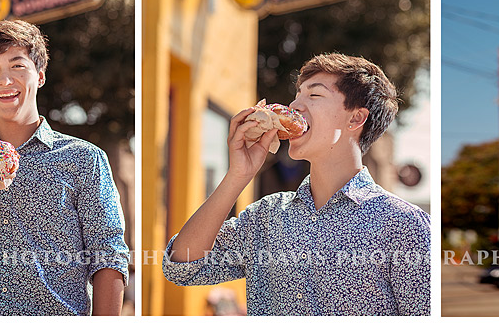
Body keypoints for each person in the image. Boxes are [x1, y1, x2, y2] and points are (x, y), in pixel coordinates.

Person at [163, 53, 430, 315]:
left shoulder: (403, 225)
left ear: (356, 118)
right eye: (297, 95)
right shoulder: (266, 216)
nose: (294, 106)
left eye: (314, 95)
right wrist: (238, 175)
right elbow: (182, 267)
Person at [0, 20, 129, 315]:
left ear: (40, 75)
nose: (5, 80)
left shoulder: (84, 159)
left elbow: (108, 256)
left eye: (18, 66)